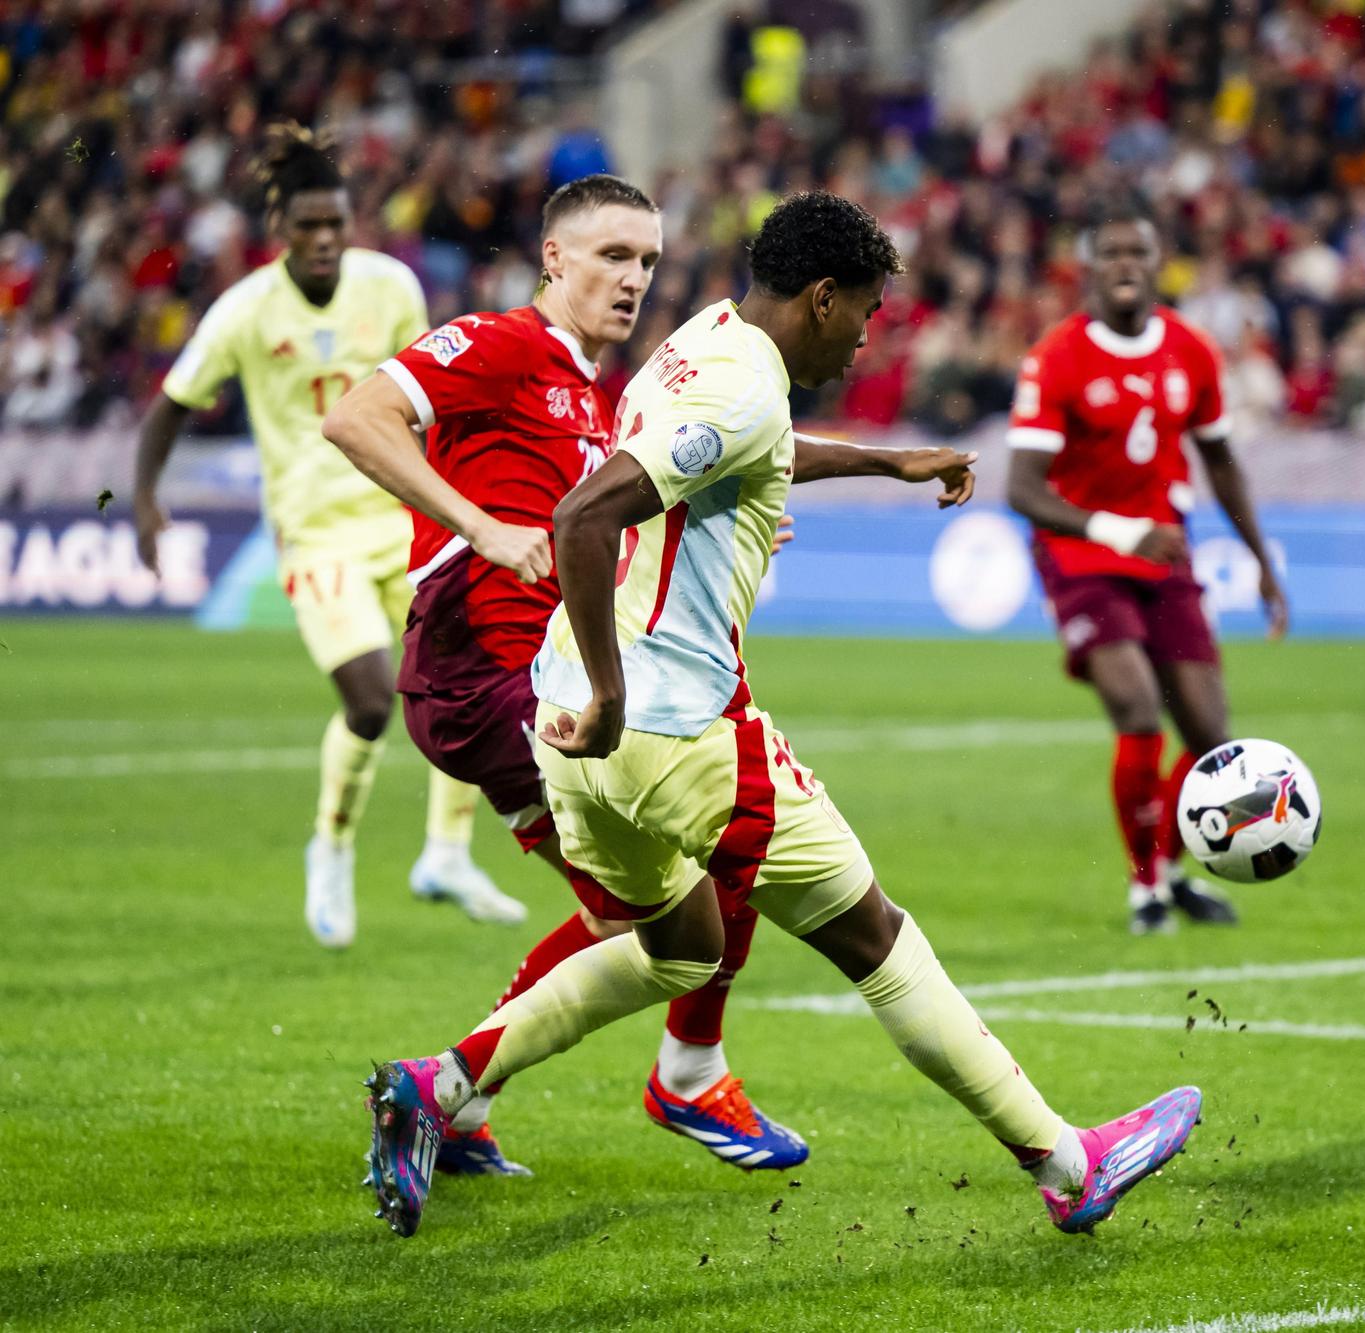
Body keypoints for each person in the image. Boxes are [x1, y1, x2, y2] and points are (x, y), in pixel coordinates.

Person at [362, 190, 1200, 1240]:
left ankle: (436, 1087)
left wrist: (886, 462)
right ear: (819, 296)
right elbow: (584, 513)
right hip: (668, 727)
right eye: (864, 311)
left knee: (678, 944)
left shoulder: (695, 344)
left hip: (564, 730)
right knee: (875, 935)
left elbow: (746, 447)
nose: (866, 334)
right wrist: (620, 694)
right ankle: (1067, 1162)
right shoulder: (738, 392)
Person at [327, 174, 980, 1178]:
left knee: (664, 906)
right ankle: (670, 1074)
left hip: (538, 671)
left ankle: (464, 1098)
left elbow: (739, 444)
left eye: (647, 261)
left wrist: (880, 464)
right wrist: (481, 526)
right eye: (610, 256)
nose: (632, 279)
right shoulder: (504, 345)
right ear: (554, 258)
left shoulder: (604, 388)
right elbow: (358, 418)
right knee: (707, 871)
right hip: (491, 671)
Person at [134, 122, 518, 949]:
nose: (324, 240)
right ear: (281, 230)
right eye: (308, 226)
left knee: (473, 677)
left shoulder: (390, 288)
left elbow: (430, 394)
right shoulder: (243, 310)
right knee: (374, 702)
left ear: (352, 224)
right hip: (316, 536)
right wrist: (142, 502)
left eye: (336, 224)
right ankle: (333, 844)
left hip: (403, 516)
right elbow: (170, 404)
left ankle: (447, 853)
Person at [1005, 201, 1289, 934]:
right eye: (1112, 253)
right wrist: (1113, 529)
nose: (1126, 264)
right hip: (1080, 555)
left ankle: (1169, 868)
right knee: (1136, 708)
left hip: (1164, 552)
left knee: (1209, 734)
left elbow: (1221, 460)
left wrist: (1261, 559)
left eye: (1139, 252)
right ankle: (1145, 893)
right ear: (1091, 269)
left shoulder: (1191, 351)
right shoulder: (1057, 356)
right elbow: (1023, 487)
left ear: (1158, 265)